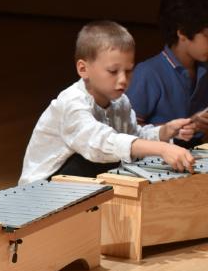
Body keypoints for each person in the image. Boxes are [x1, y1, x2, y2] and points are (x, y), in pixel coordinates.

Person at [19, 21, 196, 185]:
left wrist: (164, 132)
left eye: (128, 71)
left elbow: (133, 137)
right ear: (83, 69)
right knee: (98, 159)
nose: (123, 80)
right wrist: (161, 148)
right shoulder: (71, 103)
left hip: (81, 180)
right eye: (113, 71)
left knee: (124, 160)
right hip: (44, 187)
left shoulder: (121, 101)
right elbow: (100, 143)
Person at [126, 0, 208, 148]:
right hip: (156, 160)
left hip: (195, 155)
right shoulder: (148, 72)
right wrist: (181, 127)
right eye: (207, 36)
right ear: (182, 33)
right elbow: (127, 132)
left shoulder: (204, 68)